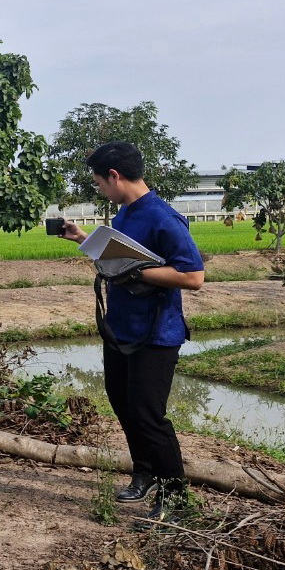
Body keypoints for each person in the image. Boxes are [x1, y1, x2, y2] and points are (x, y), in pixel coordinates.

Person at [61, 141, 205, 522]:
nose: (99, 190)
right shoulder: (124, 215)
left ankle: (176, 500)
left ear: (114, 175)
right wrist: (82, 239)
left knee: (147, 414)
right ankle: (144, 473)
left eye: (98, 183)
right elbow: (118, 255)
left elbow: (192, 275)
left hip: (155, 334)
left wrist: (135, 272)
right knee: (122, 402)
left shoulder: (162, 217)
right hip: (121, 328)